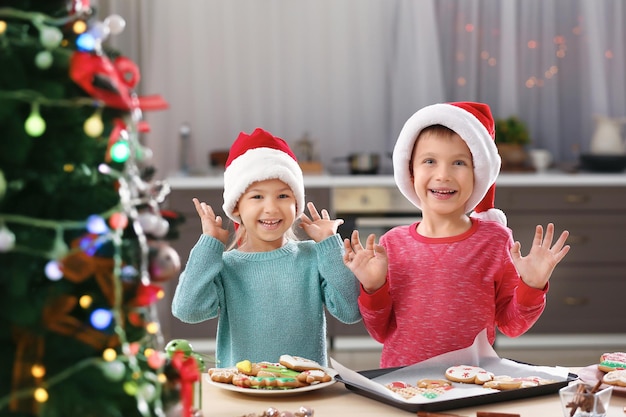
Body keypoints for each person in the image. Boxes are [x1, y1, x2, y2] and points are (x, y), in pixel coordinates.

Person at [342, 102, 570, 368]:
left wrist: (532, 285)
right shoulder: (392, 245)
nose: (443, 175)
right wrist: (373, 287)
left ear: (478, 174)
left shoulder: (495, 241)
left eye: (459, 163)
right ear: (411, 171)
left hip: (472, 384)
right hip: (402, 383)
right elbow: (380, 332)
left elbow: (512, 325)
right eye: (430, 161)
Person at [171, 128, 361, 368]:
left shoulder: (313, 256)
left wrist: (329, 245)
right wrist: (209, 244)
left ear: (296, 204)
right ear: (236, 207)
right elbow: (187, 310)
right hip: (244, 391)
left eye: (283, 196)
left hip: (304, 391)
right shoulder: (227, 266)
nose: (271, 208)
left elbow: (350, 311)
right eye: (257, 197)